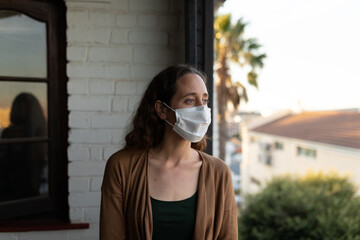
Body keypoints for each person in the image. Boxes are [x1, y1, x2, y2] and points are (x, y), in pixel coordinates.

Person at [100, 65, 238, 239]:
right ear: (162, 109)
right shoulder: (122, 167)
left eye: (204, 100)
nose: (202, 110)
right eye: (190, 100)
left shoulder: (219, 173)